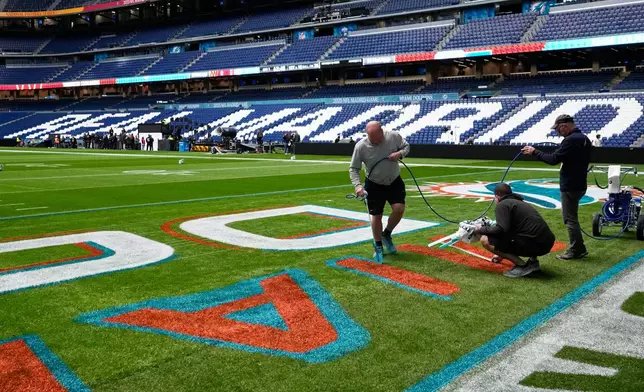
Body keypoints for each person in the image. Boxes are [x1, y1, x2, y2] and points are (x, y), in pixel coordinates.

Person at [521, 114, 592, 260]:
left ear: (564, 126)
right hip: (579, 183)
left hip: (570, 185)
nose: (557, 132)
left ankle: (576, 250)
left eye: (558, 129)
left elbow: (553, 159)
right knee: (572, 217)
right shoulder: (584, 138)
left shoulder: (571, 140)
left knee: (570, 219)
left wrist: (535, 152)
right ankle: (580, 247)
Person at [350, 121, 410, 263]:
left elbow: (407, 147)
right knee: (376, 215)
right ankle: (378, 245)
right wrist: (358, 186)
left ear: (381, 131)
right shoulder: (361, 146)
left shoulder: (394, 136)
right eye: (371, 138)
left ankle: (387, 234)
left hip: (394, 180)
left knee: (399, 208)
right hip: (374, 184)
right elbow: (354, 168)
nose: (374, 141)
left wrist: (399, 153)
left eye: (376, 138)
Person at [475, 183, 556, 278]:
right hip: (547, 243)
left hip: (535, 244)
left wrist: (480, 229)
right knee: (526, 231)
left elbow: (500, 229)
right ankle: (533, 262)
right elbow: (512, 231)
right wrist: (501, 254)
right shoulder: (520, 202)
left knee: (485, 240)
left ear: (496, 196)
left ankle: (522, 266)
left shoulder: (503, 204)